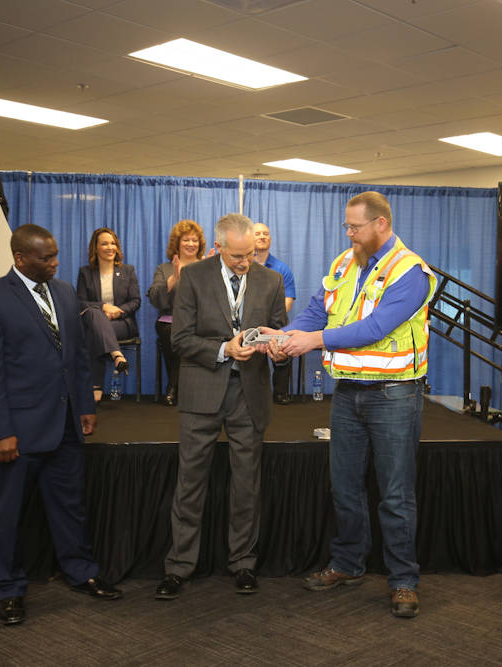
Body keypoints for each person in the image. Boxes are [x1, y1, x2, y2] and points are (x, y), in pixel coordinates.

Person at [267, 191, 436, 619]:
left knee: (395, 494)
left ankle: (403, 580)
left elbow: (376, 327)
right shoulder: (345, 262)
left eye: (355, 227)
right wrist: (286, 338)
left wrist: (314, 341)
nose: (349, 233)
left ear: (381, 224)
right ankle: (347, 564)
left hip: (395, 393)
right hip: (348, 393)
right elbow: (316, 311)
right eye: (346, 226)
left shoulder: (410, 271)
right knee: (344, 486)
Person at [0, 224, 121, 626]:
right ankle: (9, 589)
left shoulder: (65, 292)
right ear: (20, 258)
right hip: (16, 432)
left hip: (65, 425)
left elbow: (78, 356)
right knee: (9, 514)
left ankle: (81, 571)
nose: (54, 263)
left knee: (70, 508)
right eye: (45, 258)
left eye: (55, 256)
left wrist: (86, 404)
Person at [155, 213, 287, 600]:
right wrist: (222, 348)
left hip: (250, 395)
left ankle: (243, 563)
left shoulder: (271, 280)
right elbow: (179, 340)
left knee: (246, 484)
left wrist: (275, 346)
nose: (245, 262)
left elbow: (279, 328)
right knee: (190, 483)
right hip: (202, 393)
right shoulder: (194, 277)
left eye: (251, 255)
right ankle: (179, 566)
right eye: (236, 257)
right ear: (218, 249)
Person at [76, 227, 140, 402]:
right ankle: (117, 355)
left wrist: (117, 312)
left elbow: (135, 301)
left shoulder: (128, 271)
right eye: (104, 244)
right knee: (94, 318)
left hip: (122, 323)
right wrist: (104, 306)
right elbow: (80, 302)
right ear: (95, 248)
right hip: (97, 321)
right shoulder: (85, 272)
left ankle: (96, 385)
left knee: (94, 329)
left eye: (113, 243)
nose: (110, 247)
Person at [148, 220, 205, 406]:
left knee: (188, 335)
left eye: (194, 240)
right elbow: (155, 298)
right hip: (170, 321)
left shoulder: (206, 266)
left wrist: (212, 273)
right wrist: (174, 277)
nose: (190, 244)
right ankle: (178, 387)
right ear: (177, 243)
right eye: (186, 240)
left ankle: (173, 387)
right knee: (175, 334)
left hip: (200, 322)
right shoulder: (164, 269)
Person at [253, 222, 297, 404]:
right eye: (258, 234)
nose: (262, 236)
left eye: (266, 233)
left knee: (285, 345)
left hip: (276, 322)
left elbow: (288, 300)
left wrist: (269, 321)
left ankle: (280, 393)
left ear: (270, 239)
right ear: (250, 238)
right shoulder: (242, 265)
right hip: (250, 323)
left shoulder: (282, 269)